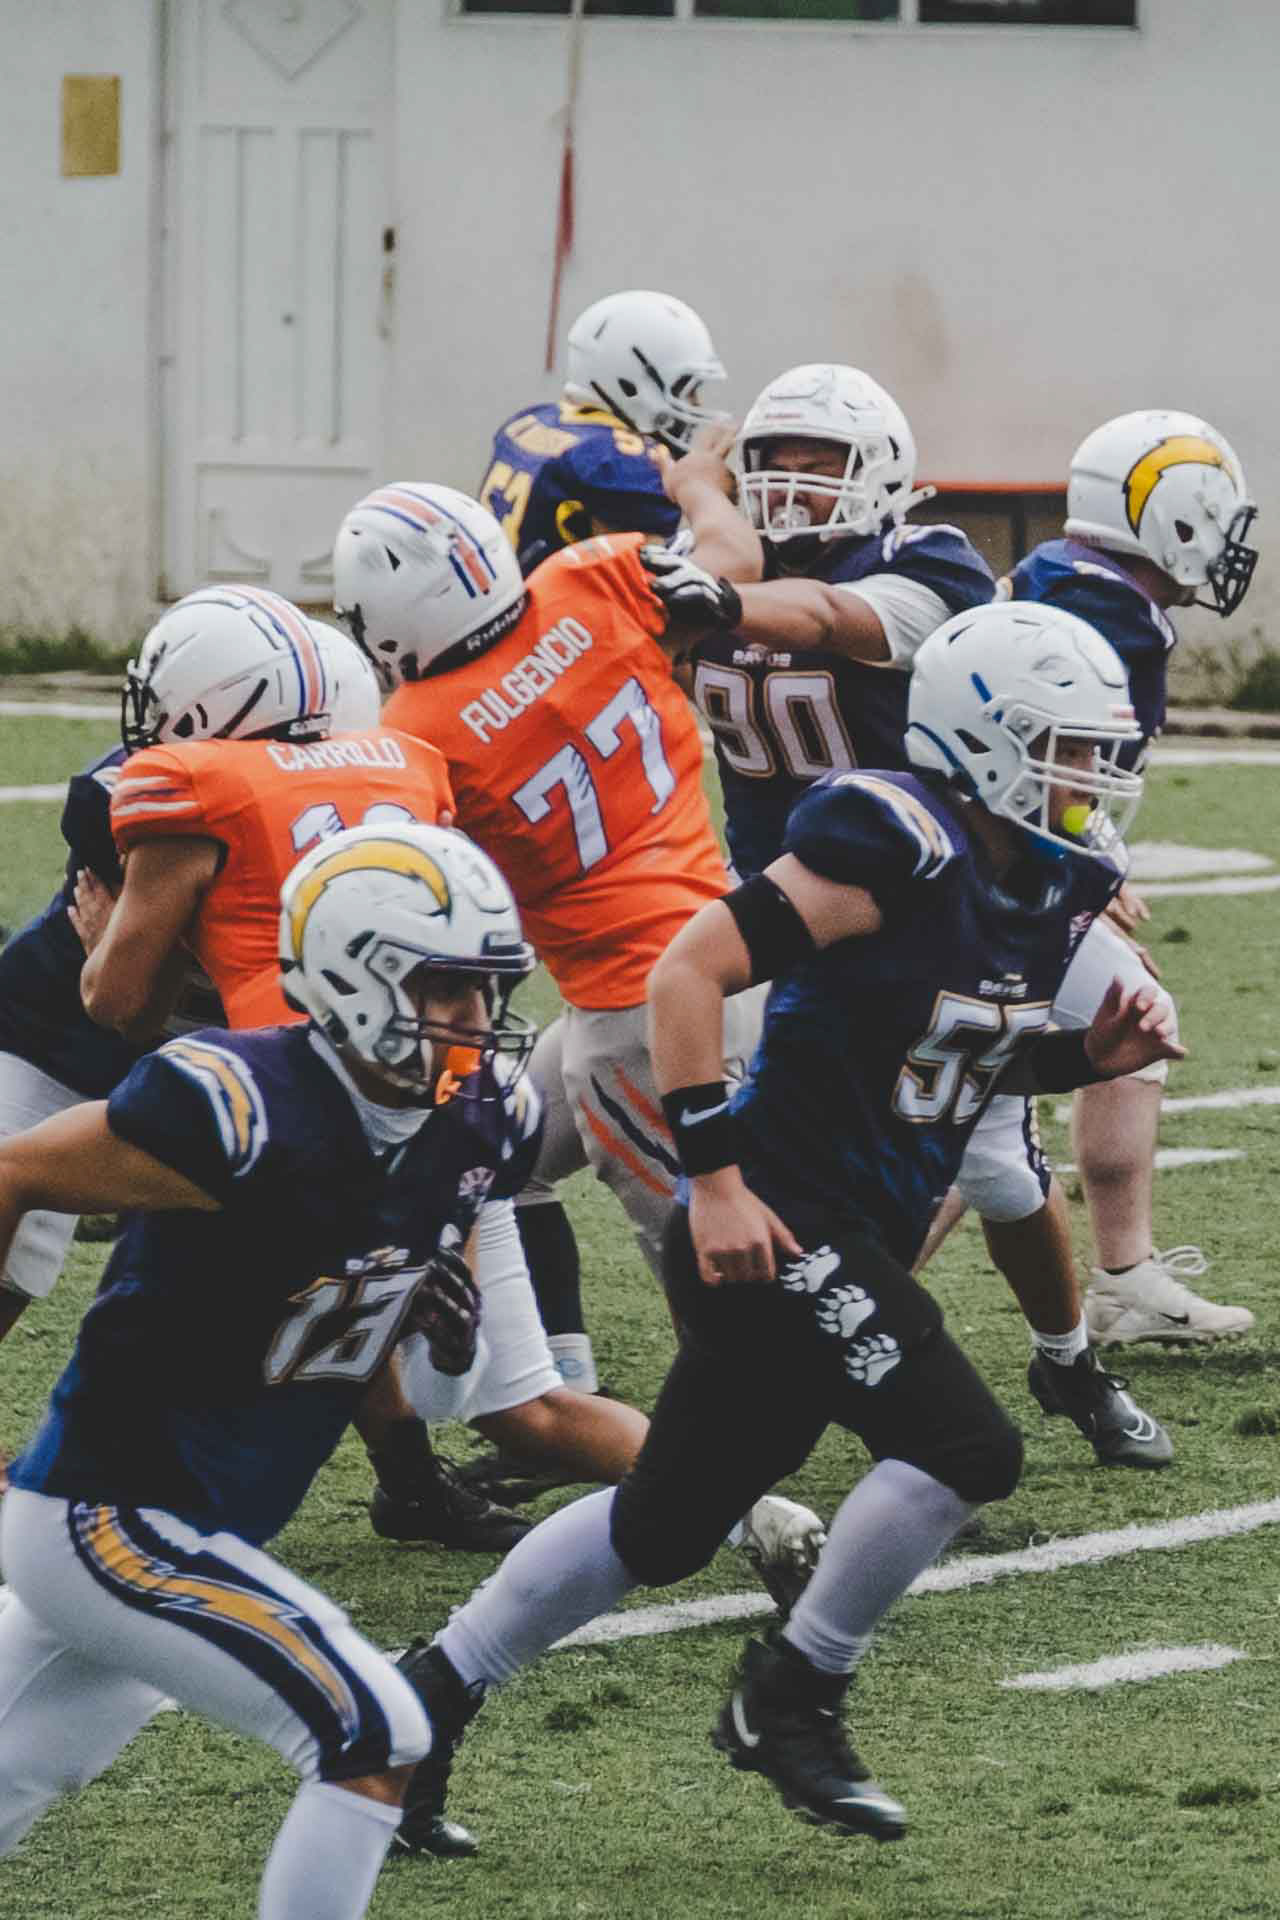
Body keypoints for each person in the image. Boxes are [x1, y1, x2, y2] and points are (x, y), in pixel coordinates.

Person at [384, 600, 1184, 1853]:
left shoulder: (1041, 879)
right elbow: (686, 972)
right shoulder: (893, 840)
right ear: (981, 738)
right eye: (1063, 749)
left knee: (661, 1524)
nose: (1087, 778)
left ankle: (416, 1712)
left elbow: (951, 1053)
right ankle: (793, 1692)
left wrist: (1089, 1057)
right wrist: (712, 1180)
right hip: (777, 1214)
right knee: (966, 1448)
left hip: (836, 1224)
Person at [0, 823, 549, 1916]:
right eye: (447, 987)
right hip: (112, 1510)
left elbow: (448, 1396)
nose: (476, 1017)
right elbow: (13, 1169)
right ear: (354, 976)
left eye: (489, 988)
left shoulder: (483, 1123)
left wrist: (452, 1342)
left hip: (206, 1523)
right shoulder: (236, 1102)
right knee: (374, 1731)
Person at [74, 585, 653, 1578]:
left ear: (208, 701)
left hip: (309, 1107)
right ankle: (711, 1496)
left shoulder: (189, 785)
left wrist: (109, 935)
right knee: (505, 1396)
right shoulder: (402, 761)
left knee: (205, 1312)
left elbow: (118, 1002)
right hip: (455, 1082)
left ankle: (127, 1511)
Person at [655, 362, 1170, 1467]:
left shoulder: (922, 561)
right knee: (844, 1147)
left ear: (882, 471)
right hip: (796, 901)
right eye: (773, 462)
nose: (792, 484)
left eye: (822, 463)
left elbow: (828, 619)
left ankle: (1063, 1358)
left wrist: (713, 579)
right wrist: (700, 512)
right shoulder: (717, 559)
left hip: (934, 888)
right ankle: (743, 1376)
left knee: (988, 1149)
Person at [331, 480, 826, 1621]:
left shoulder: (417, 731)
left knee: (717, 1281)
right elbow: (721, 575)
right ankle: (564, 1383)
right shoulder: (593, 575)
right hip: (726, 949)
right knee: (499, 1157)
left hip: (637, 1020)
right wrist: (699, 483)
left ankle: (754, 1483)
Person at [0, 617, 366, 1383]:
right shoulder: (136, 795)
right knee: (20, 1234)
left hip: (217, 1053)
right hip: (62, 1028)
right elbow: (123, 1004)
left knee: (295, 1257)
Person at [1000, 410, 1258, 1346]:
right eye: (1215, 519)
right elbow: (1032, 756)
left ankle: (1123, 1281)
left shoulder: (1073, 580)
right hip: (995, 880)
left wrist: (1087, 862)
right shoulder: (1105, 617)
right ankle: (829, 1315)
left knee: (1135, 1013)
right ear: (1171, 520)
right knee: (971, 1118)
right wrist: (1085, 864)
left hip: (1020, 866)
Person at [478, 289, 728, 576]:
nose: (695, 403)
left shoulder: (531, 420)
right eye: (686, 389)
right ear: (631, 383)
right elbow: (650, 586)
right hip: (559, 604)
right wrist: (703, 489)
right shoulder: (625, 461)